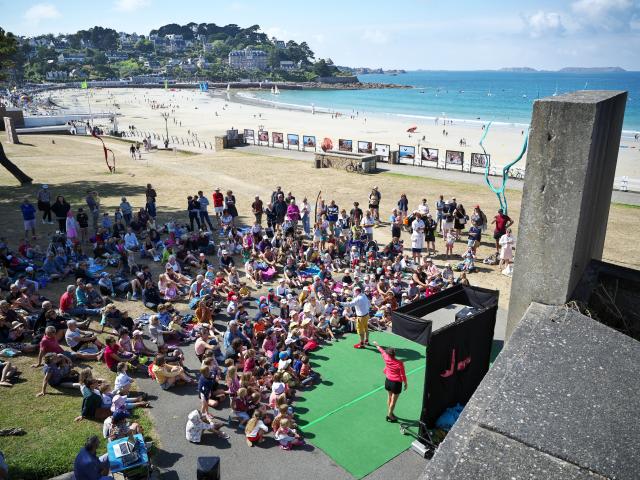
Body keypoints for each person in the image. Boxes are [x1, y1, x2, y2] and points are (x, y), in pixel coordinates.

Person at [373, 340, 407, 422]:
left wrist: (377, 344)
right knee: (393, 401)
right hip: (396, 384)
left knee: (389, 397)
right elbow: (402, 375)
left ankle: (390, 412)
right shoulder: (399, 363)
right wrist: (406, 383)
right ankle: (389, 415)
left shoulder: (386, 357)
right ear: (394, 354)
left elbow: (381, 350)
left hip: (388, 381)